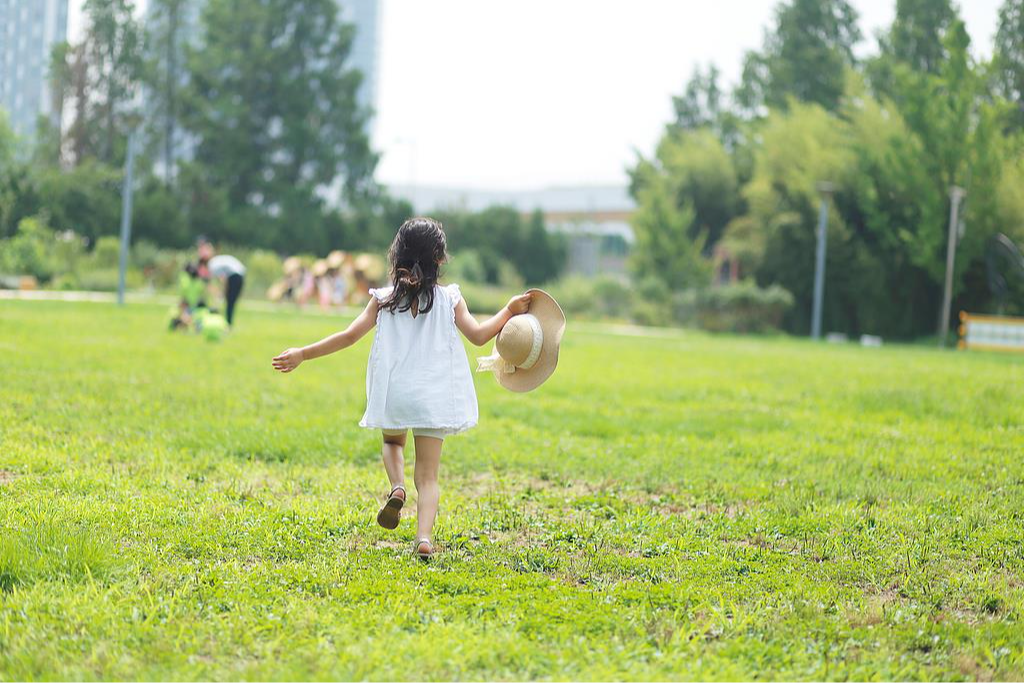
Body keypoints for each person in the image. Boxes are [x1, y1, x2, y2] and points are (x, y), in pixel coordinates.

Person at [271, 217, 532, 560]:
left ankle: (396, 487)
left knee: (393, 443)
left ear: (397, 255)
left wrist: (303, 353)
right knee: (428, 476)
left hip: (396, 391)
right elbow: (480, 336)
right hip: (434, 395)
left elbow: (348, 336)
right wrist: (509, 309)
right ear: (439, 259)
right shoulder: (450, 299)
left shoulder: (383, 299)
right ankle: (423, 538)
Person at [198, 242, 246, 327]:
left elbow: (223, 279)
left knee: (230, 302)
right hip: (240, 274)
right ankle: (228, 323)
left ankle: (228, 324)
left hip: (234, 276)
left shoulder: (211, 265)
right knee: (231, 301)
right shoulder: (215, 261)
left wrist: (223, 292)